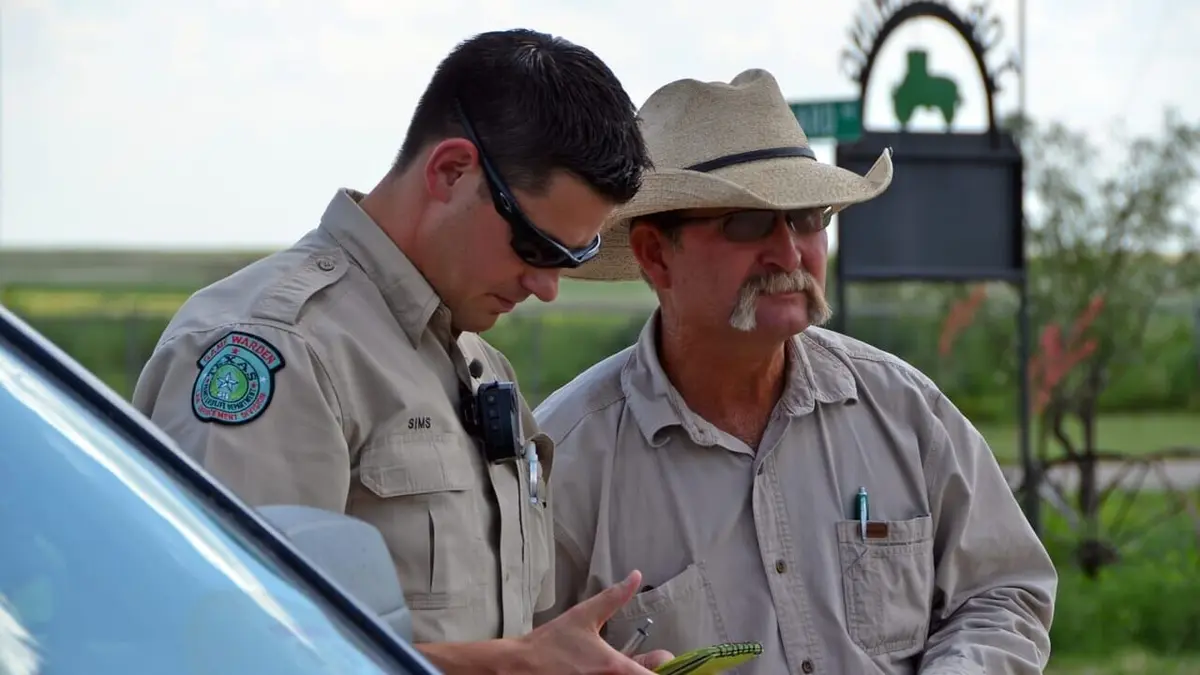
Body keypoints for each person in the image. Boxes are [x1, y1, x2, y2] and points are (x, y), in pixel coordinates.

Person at [132, 29, 674, 674]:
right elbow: (222, 645)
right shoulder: (282, 349)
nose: (547, 287)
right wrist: (506, 666)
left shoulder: (476, 360)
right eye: (535, 245)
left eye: (571, 257)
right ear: (451, 171)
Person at [532, 68, 1058, 675]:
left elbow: (1002, 592)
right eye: (748, 223)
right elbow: (513, 656)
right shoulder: (565, 462)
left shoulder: (904, 409)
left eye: (809, 218)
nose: (790, 252)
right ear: (655, 254)